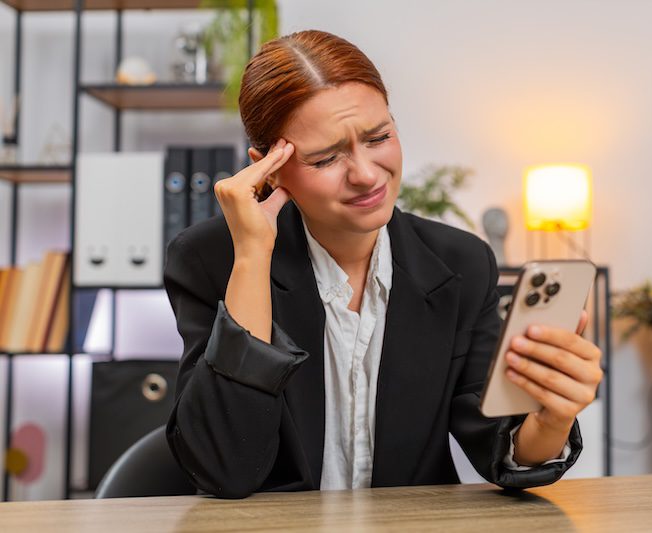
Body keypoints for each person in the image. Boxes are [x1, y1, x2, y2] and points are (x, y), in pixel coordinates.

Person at [163, 29, 603, 499]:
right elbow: (224, 469)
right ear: (268, 168)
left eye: (379, 137)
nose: (367, 174)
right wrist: (252, 256)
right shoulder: (213, 259)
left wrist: (553, 418)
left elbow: (498, 447)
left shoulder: (461, 263)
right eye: (326, 157)